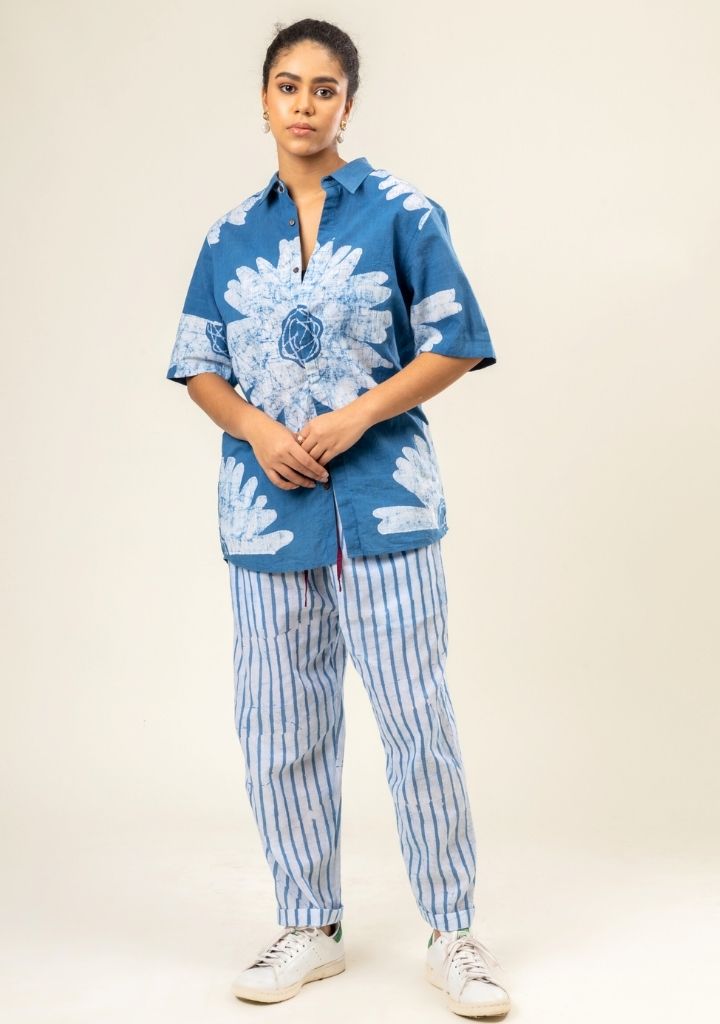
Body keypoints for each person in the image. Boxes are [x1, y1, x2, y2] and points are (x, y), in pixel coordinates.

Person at [166, 16, 512, 1020]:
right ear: (264, 100)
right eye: (289, 85)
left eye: (324, 88)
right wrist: (255, 429)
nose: (305, 104)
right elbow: (199, 363)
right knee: (280, 728)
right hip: (267, 519)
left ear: (347, 103)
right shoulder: (229, 235)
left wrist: (358, 414)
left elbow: (458, 340)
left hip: (385, 507)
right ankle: (307, 927)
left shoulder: (404, 212)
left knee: (416, 720)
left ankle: (453, 932)